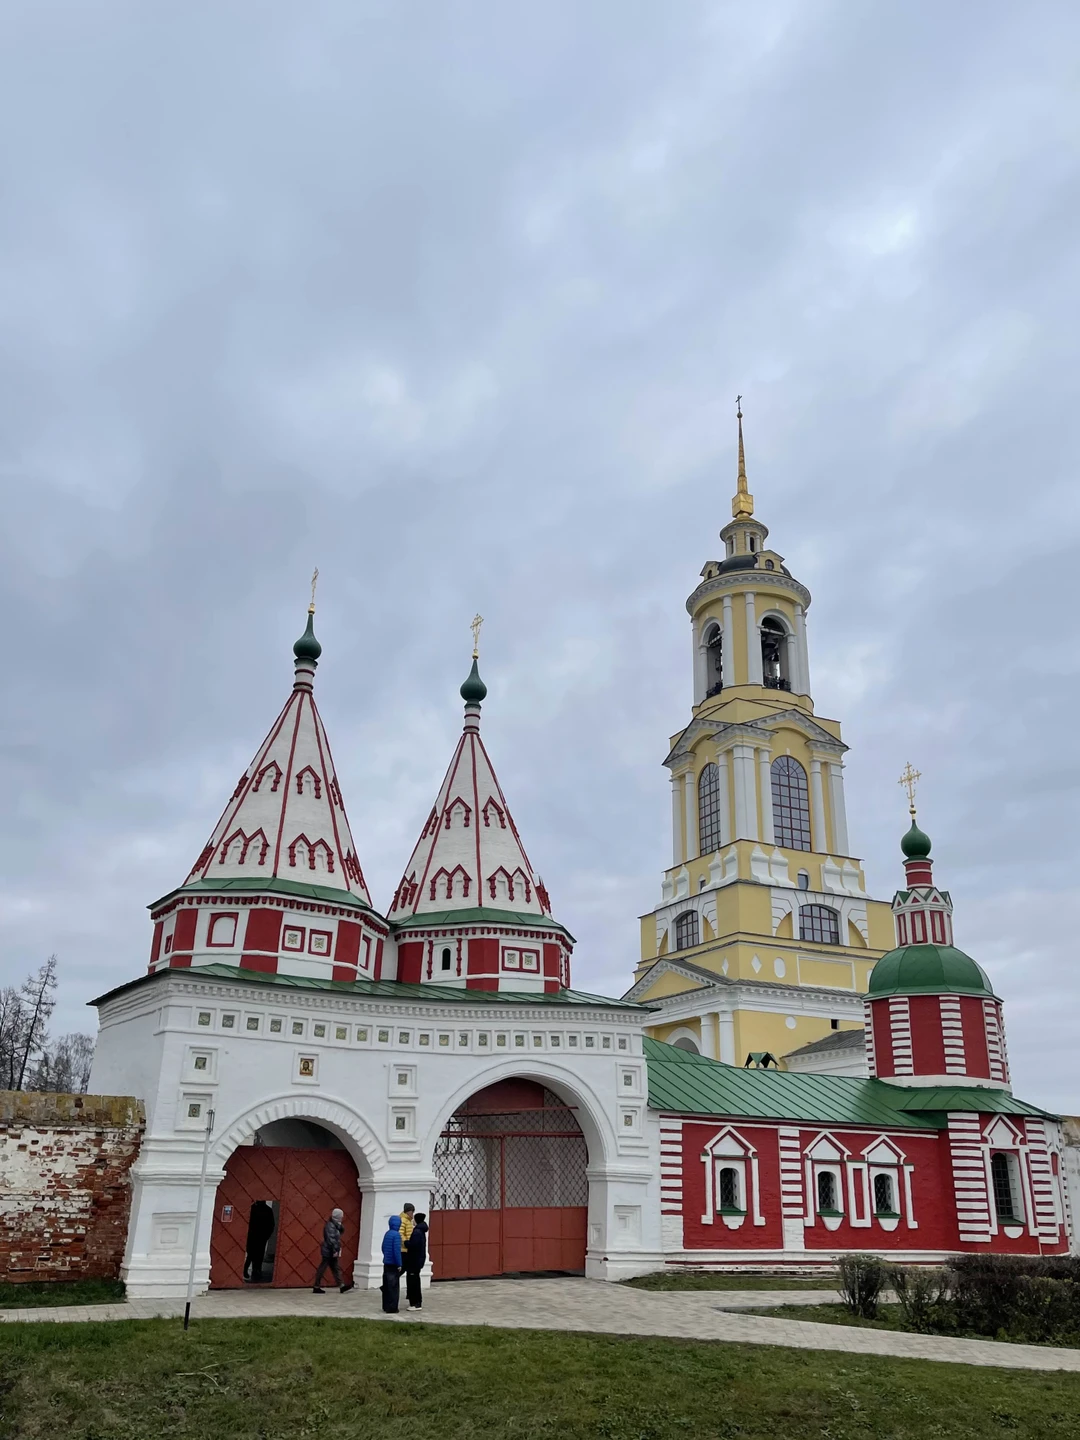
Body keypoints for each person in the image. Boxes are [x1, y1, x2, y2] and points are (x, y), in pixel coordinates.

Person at [313, 1206, 355, 1294]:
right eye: (341, 1216)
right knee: (323, 1268)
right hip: (329, 1250)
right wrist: (335, 1250)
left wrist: (339, 1226)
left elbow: (341, 1232)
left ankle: (341, 1286)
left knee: (335, 1268)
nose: (342, 1217)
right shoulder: (330, 1226)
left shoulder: (335, 1225)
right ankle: (316, 1286)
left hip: (331, 1250)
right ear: (338, 1216)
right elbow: (331, 1239)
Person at [244, 1199, 275, 1283]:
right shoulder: (267, 1210)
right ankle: (256, 1271)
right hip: (261, 1236)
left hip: (253, 1236)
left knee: (250, 1254)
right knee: (259, 1255)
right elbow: (271, 1225)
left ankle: (247, 1270)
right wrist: (266, 1236)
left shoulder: (253, 1208)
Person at [404, 1211, 428, 1310]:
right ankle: (416, 1302)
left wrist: (406, 1243)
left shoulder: (417, 1232)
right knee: (415, 1280)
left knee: (413, 1281)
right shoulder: (421, 1231)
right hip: (417, 1260)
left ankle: (415, 1303)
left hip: (414, 1260)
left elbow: (414, 1245)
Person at [381, 1214, 403, 1313]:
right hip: (393, 1264)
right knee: (393, 1287)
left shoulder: (387, 1233)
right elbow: (397, 1251)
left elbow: (382, 1247)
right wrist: (399, 1264)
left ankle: (385, 1305)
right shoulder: (397, 1235)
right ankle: (392, 1307)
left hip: (386, 1263)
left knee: (386, 1285)